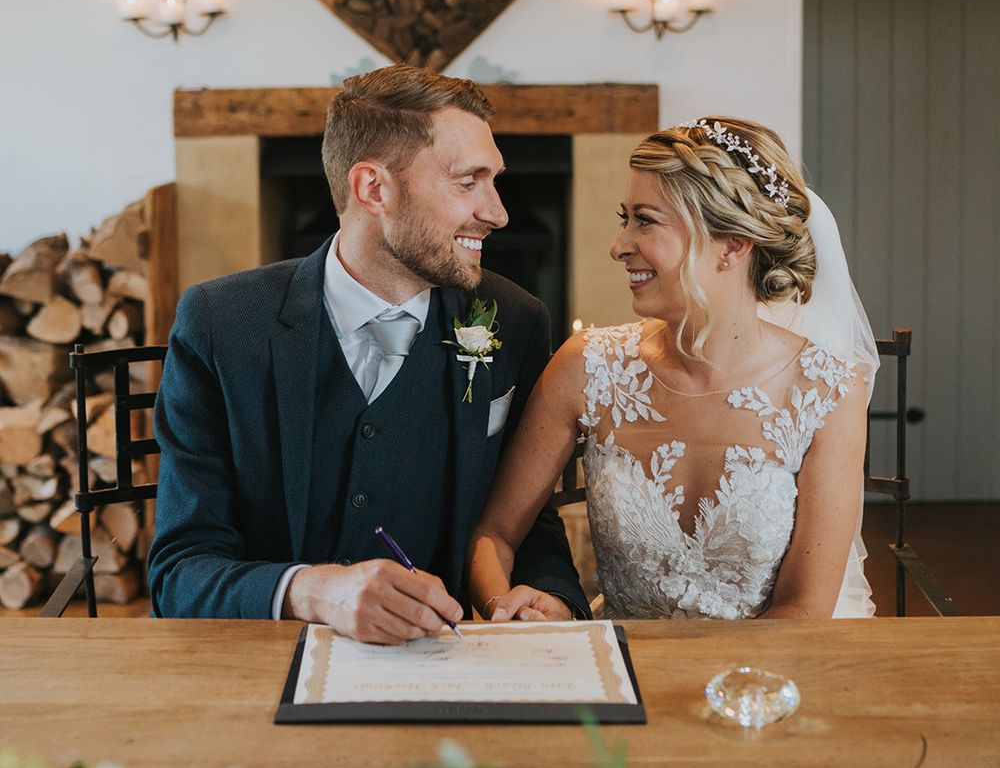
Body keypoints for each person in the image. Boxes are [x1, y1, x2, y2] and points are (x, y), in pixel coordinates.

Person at [148, 64, 590, 641]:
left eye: (495, 180)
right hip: (263, 675)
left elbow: (527, 522)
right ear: (373, 188)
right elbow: (179, 573)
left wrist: (548, 596)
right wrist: (316, 591)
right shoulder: (220, 324)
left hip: (446, 665)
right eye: (468, 182)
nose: (498, 212)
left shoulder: (517, 321)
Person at [468, 117, 878, 621]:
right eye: (626, 218)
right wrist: (505, 609)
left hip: (759, 683)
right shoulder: (587, 367)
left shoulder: (827, 391)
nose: (619, 245)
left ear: (731, 243)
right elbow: (496, 533)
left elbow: (802, 609)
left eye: (646, 220)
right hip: (621, 669)